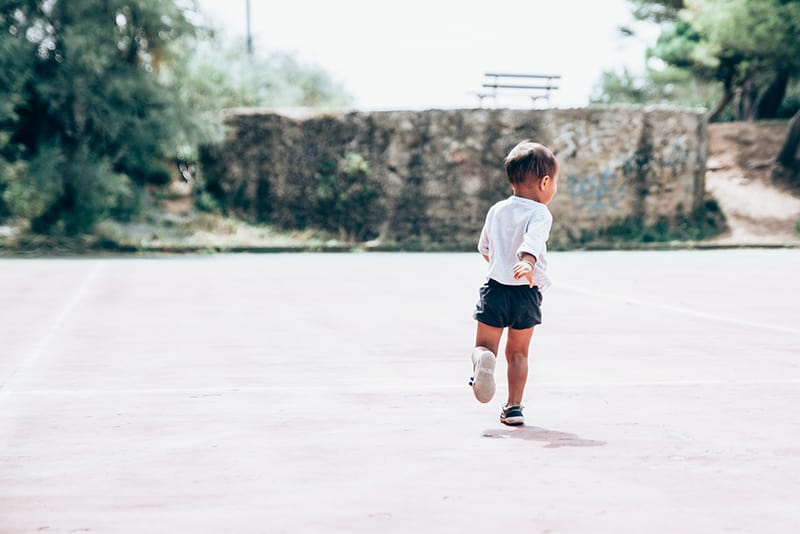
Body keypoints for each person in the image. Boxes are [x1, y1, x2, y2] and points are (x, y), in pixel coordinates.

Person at [468, 140, 559, 426]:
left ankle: (483, 361)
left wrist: (503, 266)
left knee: (484, 346)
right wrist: (527, 262)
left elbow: (484, 248)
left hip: (495, 289)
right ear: (545, 182)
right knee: (518, 353)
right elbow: (533, 241)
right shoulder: (540, 212)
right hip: (526, 293)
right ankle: (514, 407)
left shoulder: (496, 210)